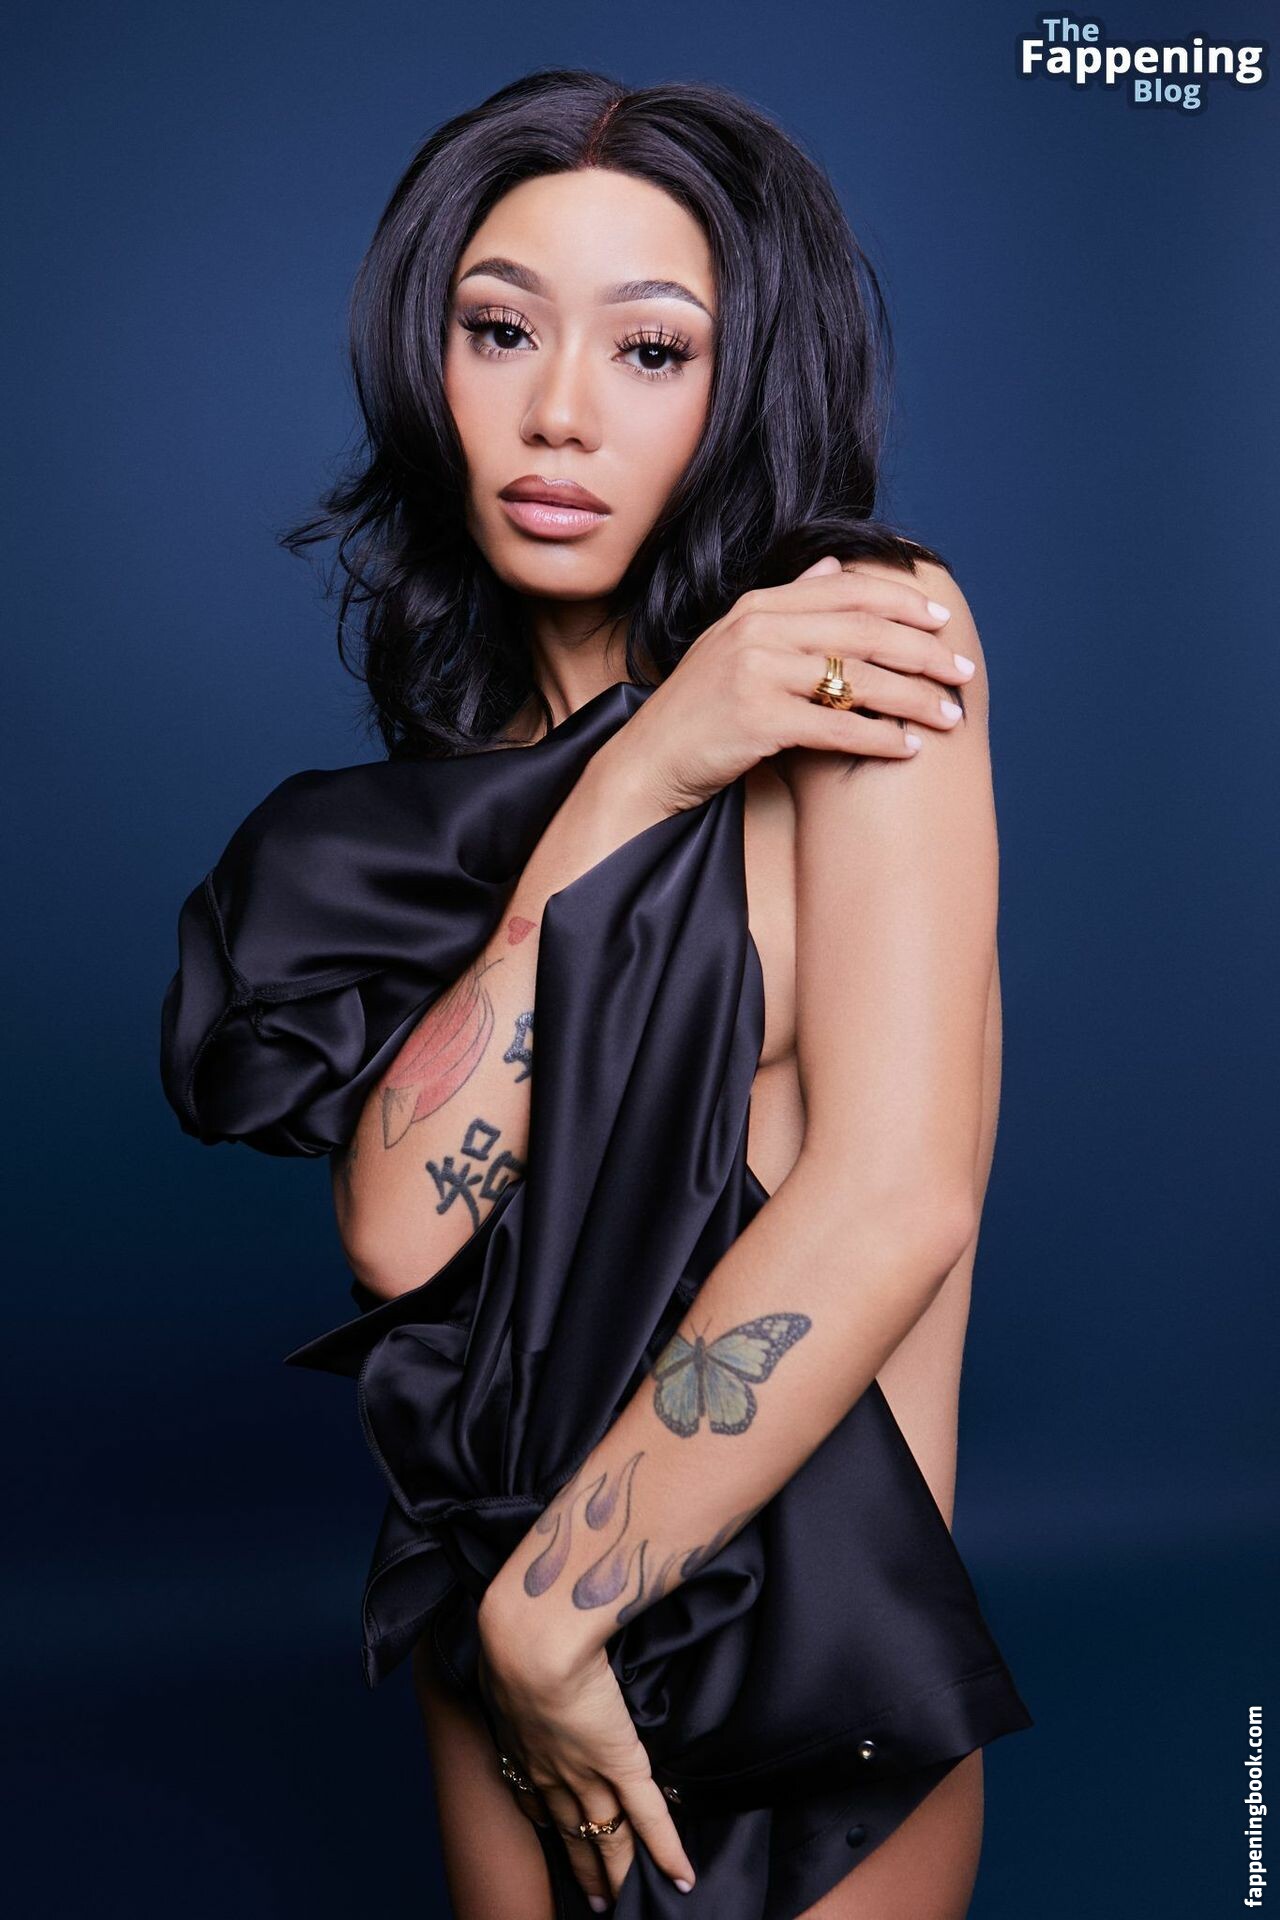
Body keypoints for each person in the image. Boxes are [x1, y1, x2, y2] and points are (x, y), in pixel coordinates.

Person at [160, 69, 1032, 1920]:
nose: (558, 411)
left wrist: (558, 1620)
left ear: (748, 378)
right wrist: (639, 778)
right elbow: (399, 1233)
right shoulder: (463, 784)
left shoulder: (866, 643)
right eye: (500, 330)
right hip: (496, 1635)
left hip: (791, 1663)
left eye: (650, 350)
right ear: (429, 358)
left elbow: (896, 1196)